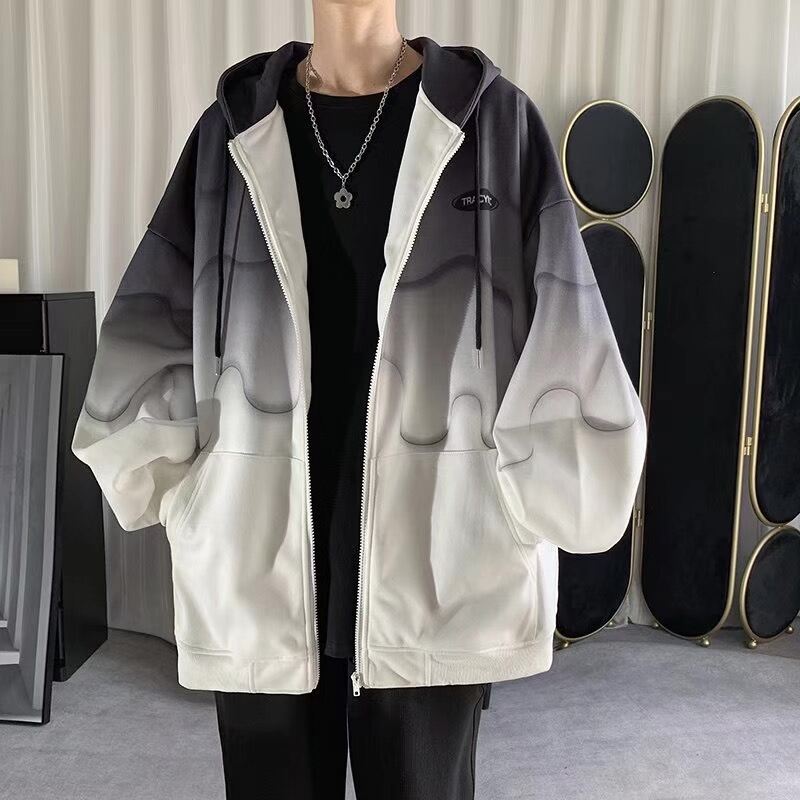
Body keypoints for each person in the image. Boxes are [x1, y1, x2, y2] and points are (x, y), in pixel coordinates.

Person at [72, 0, 648, 797]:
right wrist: (181, 492)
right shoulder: (231, 132)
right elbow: (149, 328)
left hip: (441, 554)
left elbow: (566, 333)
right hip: (257, 553)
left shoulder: (492, 125)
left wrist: (531, 496)